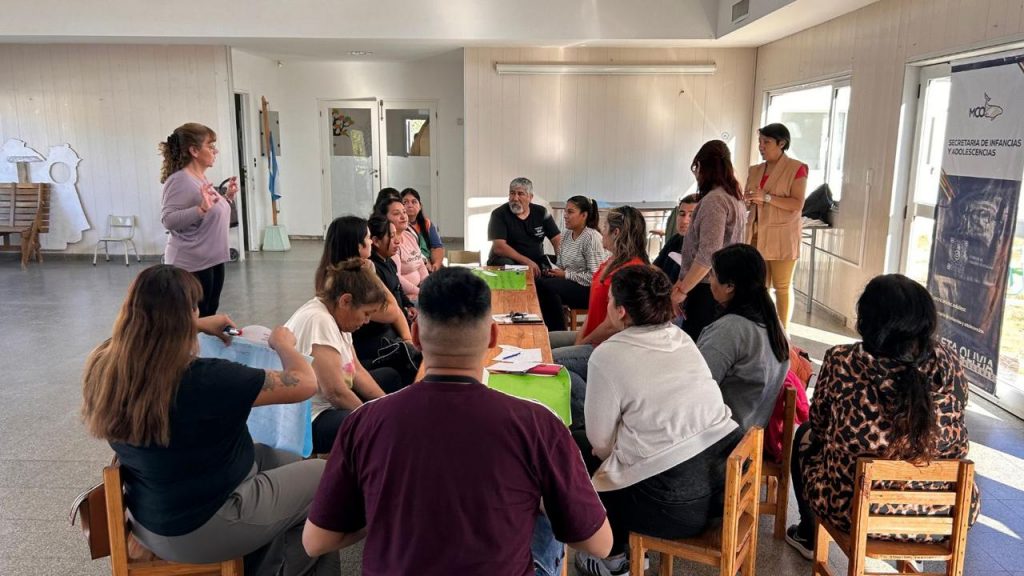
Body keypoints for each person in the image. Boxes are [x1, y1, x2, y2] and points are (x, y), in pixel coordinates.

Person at [301, 267, 613, 576]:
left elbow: (316, 540)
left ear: (417, 336)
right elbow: (599, 543)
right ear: (492, 335)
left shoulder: (364, 423)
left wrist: (381, 508)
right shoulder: (539, 425)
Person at [81, 265, 338, 575]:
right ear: (185, 315)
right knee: (329, 477)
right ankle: (277, 568)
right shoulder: (204, 378)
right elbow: (304, 383)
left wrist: (199, 325)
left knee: (285, 458)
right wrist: (284, 344)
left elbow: (145, 332)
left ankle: (266, 549)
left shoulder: (104, 364)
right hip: (207, 524)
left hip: (150, 517)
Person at [786, 274, 979, 559]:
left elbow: (820, 424)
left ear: (866, 320)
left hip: (852, 510)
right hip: (945, 513)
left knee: (803, 434)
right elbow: (959, 410)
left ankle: (809, 534)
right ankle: (911, 541)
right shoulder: (948, 361)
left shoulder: (843, 361)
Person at [573, 265, 742, 576]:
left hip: (673, 505)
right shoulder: (681, 337)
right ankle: (630, 548)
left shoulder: (608, 355)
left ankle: (613, 558)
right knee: (626, 453)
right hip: (721, 487)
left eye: (610, 301)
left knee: (575, 455)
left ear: (621, 311)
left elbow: (601, 443)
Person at [285, 257, 403, 455]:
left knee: (390, 378)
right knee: (369, 429)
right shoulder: (319, 321)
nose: (366, 321)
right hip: (309, 420)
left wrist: (387, 407)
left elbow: (355, 370)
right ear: (345, 301)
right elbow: (335, 392)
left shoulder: (338, 315)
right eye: (366, 313)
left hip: (329, 405)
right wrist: (374, 418)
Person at [551, 206, 648, 425]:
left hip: (609, 345)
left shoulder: (631, 270)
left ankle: (589, 420)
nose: (600, 232)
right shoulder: (610, 260)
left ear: (616, 233)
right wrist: (578, 340)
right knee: (547, 342)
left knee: (554, 362)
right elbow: (594, 306)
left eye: (604, 228)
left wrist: (582, 343)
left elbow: (613, 325)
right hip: (594, 335)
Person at [697, 244, 790, 431]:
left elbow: (697, 389)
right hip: (752, 434)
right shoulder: (774, 323)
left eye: (713, 274)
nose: (709, 279)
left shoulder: (730, 331)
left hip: (723, 440)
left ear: (730, 286)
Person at [672, 140, 748, 342]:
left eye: (696, 169)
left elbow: (707, 255)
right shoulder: (735, 199)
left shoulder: (715, 201)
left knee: (697, 348)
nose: (696, 176)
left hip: (707, 290)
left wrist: (682, 290)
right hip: (718, 287)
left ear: (704, 167)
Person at [159, 123, 238, 317]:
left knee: (208, 314)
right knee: (196, 320)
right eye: (210, 146)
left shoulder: (199, 177)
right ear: (194, 150)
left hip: (211, 259)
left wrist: (227, 198)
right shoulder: (180, 180)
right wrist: (201, 208)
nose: (215, 151)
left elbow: (210, 215)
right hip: (192, 264)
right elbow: (168, 220)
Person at [744, 123, 809, 331]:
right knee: (759, 287)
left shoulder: (797, 168)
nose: (761, 146)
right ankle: (762, 328)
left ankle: (783, 332)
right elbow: (749, 200)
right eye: (760, 142)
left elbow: (796, 204)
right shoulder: (755, 170)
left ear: (782, 144)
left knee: (782, 286)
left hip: (782, 234)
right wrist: (748, 200)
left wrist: (768, 198)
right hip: (755, 233)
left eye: (767, 142)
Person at [315, 215, 413, 346]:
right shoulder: (349, 281)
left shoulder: (331, 273)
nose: (371, 242)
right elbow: (392, 311)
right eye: (367, 238)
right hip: (370, 347)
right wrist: (372, 274)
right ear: (357, 245)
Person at [352, 214, 420, 386]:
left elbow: (398, 291)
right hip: (380, 340)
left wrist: (408, 305)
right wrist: (407, 339)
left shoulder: (388, 262)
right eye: (391, 235)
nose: (398, 240)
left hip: (394, 329)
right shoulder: (366, 272)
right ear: (375, 241)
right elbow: (391, 311)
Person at [535, 195, 607, 331]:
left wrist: (565, 275)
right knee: (539, 278)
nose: (565, 216)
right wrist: (553, 271)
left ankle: (557, 332)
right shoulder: (567, 235)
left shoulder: (591, 238)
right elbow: (562, 264)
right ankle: (548, 327)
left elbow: (595, 277)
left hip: (589, 290)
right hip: (573, 281)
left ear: (584, 215)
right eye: (565, 211)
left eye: (570, 212)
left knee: (547, 287)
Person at [487, 177, 562, 278]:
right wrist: (526, 261)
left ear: (530, 197)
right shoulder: (499, 214)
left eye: (520, 194)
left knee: (554, 270)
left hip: (535, 261)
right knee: (508, 266)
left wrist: (562, 263)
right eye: (512, 193)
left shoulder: (541, 212)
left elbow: (557, 239)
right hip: (507, 261)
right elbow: (499, 247)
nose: (515, 198)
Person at [376, 196, 429, 298]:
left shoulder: (409, 235)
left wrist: (428, 287)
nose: (403, 216)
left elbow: (421, 265)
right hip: (406, 296)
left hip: (420, 291)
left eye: (404, 212)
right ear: (384, 218)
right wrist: (421, 293)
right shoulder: (389, 244)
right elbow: (397, 278)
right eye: (396, 214)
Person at [653, 194, 699, 283]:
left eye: (692, 215)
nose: (684, 220)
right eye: (682, 214)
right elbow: (655, 268)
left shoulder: (704, 248)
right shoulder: (676, 239)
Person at [402, 187, 445, 271]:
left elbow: (436, 247)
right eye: (405, 202)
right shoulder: (398, 226)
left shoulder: (427, 224)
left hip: (430, 267)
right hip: (411, 267)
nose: (410, 205)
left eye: (414, 202)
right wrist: (424, 263)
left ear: (420, 206)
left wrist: (435, 265)